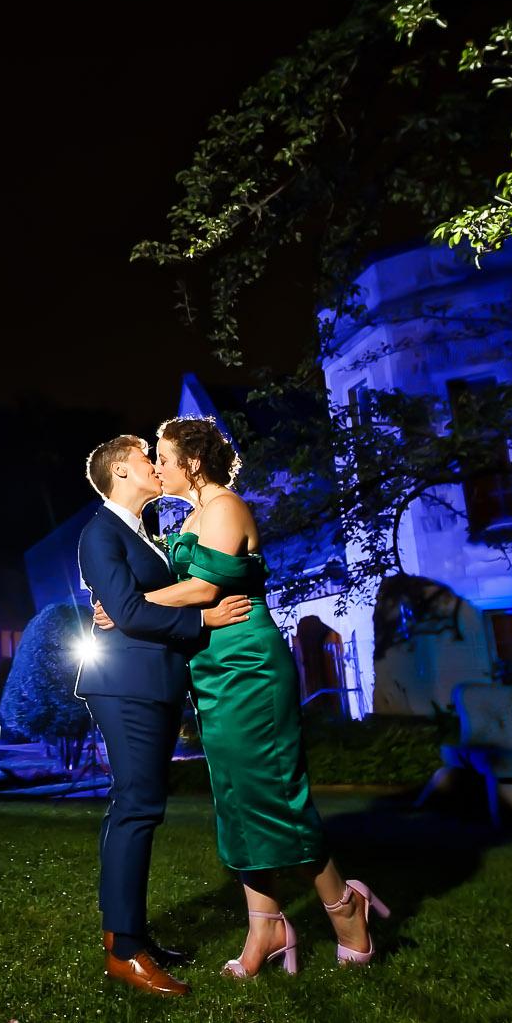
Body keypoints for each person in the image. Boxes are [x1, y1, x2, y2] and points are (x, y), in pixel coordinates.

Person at [95, 416, 388, 974]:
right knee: (236, 799)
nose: (158, 465)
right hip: (210, 668)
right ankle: (265, 929)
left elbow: (205, 587)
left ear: (192, 462)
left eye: (164, 456)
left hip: (248, 663)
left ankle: (343, 904)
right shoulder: (191, 518)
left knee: (274, 792)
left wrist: (129, 603)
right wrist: (131, 602)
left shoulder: (225, 507)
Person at [75, 434, 253, 997]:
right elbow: (128, 612)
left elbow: (133, 605)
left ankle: (130, 934)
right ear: (120, 473)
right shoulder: (100, 533)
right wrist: (204, 621)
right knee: (136, 806)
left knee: (140, 807)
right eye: (143, 459)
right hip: (126, 686)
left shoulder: (141, 535)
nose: (155, 466)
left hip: (150, 684)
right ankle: (124, 951)